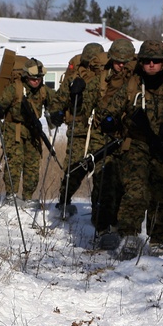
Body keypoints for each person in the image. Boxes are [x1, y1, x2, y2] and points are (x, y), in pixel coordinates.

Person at [98, 39, 163, 259]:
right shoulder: (132, 84)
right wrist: (108, 120)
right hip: (137, 144)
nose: (152, 65)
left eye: (157, 61)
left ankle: (157, 239)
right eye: (147, 61)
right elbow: (108, 110)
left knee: (160, 193)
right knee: (136, 190)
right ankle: (129, 237)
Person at [89, 38, 137, 250]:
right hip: (103, 137)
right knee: (102, 181)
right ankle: (102, 228)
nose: (121, 66)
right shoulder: (101, 80)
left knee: (124, 183)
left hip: (128, 138)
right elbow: (83, 109)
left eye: (125, 62)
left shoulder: (136, 80)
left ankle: (121, 228)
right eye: (118, 62)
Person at [50, 42, 107, 215]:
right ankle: (64, 202)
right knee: (74, 169)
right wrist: (56, 112)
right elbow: (59, 98)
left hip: (99, 131)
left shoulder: (107, 77)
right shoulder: (74, 77)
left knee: (100, 173)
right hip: (78, 129)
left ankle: (99, 209)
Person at [0, 57, 54, 202]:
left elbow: (56, 104)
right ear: (26, 76)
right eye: (33, 78)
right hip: (14, 130)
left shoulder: (44, 91)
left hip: (33, 132)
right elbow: (0, 107)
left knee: (32, 166)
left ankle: (28, 197)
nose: (36, 81)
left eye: (39, 78)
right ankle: (10, 195)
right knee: (14, 164)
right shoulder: (15, 88)